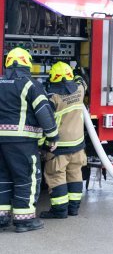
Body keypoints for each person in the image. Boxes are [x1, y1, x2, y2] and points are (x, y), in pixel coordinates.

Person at [0, 48, 59, 233]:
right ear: (27, 62)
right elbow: (43, 111)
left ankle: (1, 218)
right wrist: (52, 136)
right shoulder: (29, 84)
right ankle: (24, 220)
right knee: (26, 178)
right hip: (22, 142)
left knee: (2, 178)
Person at [40, 62, 87, 219]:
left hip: (58, 147)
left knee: (56, 175)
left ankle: (59, 211)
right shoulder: (80, 90)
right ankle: (74, 208)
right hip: (78, 144)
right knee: (75, 173)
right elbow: (81, 80)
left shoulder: (52, 98)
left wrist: (42, 144)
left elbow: (45, 120)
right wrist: (76, 72)